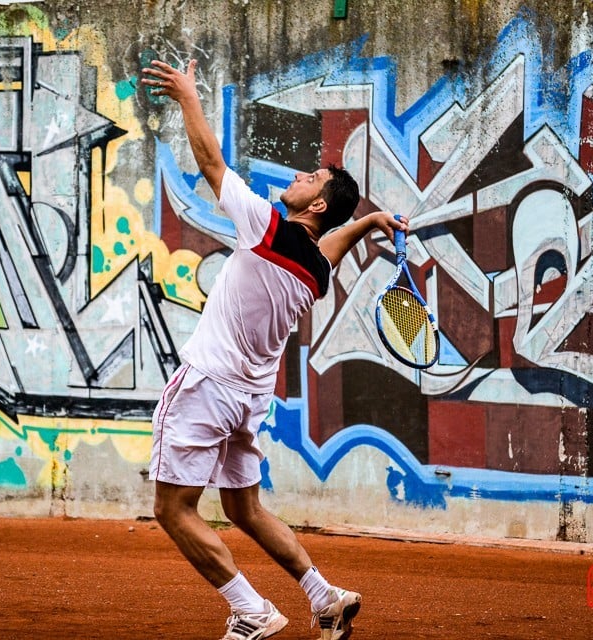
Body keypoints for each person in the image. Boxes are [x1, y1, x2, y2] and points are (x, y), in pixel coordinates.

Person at [141, 58, 408, 640]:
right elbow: (333, 246)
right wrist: (368, 221)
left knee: (172, 509)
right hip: (248, 400)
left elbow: (211, 162)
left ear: (313, 207)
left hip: (208, 385)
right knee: (245, 510)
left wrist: (188, 93)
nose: (301, 175)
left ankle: (252, 610)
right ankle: (325, 596)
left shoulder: (265, 226)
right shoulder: (314, 270)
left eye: (312, 178)